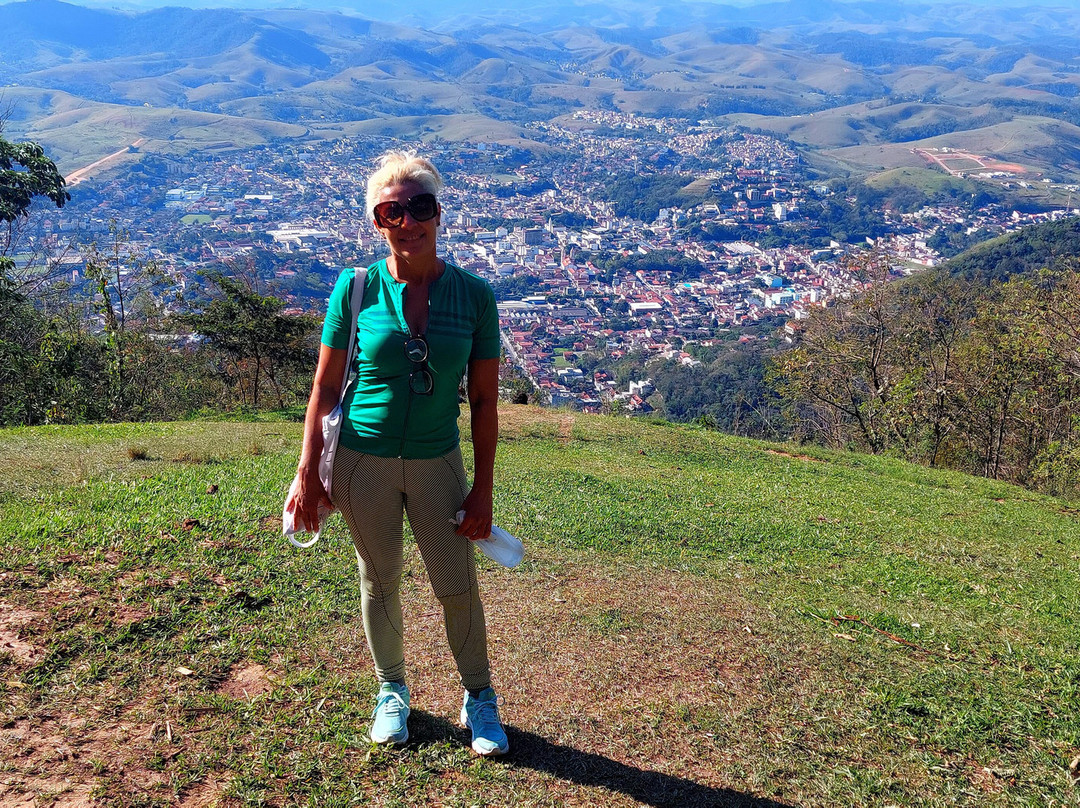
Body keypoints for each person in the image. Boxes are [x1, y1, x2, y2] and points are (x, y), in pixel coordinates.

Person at [286, 150, 508, 756]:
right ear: (376, 222)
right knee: (379, 580)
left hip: (438, 460)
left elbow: (485, 403)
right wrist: (308, 472)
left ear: (439, 213)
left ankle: (479, 697)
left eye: (420, 206)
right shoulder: (355, 289)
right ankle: (392, 691)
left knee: (456, 583)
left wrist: (482, 487)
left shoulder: (473, 297)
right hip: (362, 459)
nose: (408, 220)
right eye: (392, 210)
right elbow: (326, 388)